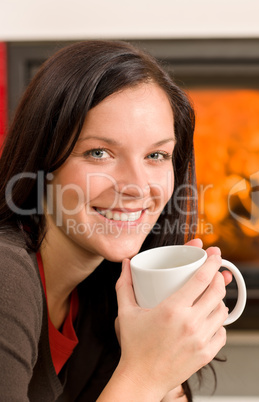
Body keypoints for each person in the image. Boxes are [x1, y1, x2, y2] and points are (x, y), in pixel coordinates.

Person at [0, 40, 231, 401]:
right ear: (44, 160)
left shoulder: (107, 290)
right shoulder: (5, 278)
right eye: (99, 153)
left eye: (156, 154)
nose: (138, 187)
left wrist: (168, 368)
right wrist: (145, 374)